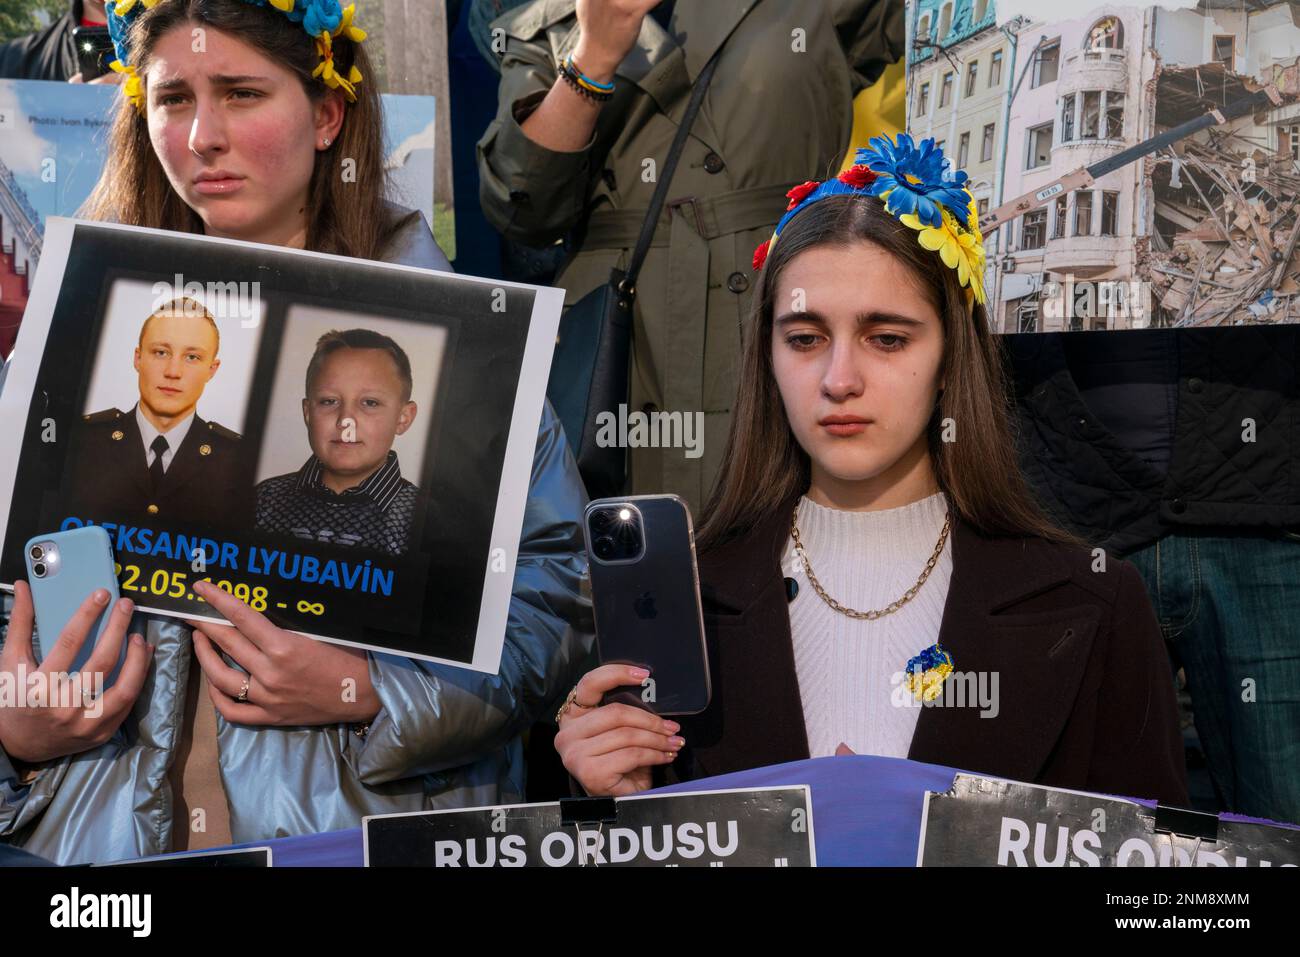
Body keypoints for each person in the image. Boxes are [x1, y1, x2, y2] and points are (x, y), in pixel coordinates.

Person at [0, 0, 591, 864]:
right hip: (94, 856)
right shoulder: (73, 328)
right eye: (172, 99)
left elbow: (553, 605)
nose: (203, 135)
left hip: (351, 836)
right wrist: (15, 725)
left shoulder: (462, 342)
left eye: (241, 94)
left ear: (326, 114)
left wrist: (368, 691)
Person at [553, 135, 1189, 807]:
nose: (840, 379)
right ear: (766, 356)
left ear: (951, 359)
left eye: (887, 338)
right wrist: (603, 807)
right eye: (805, 338)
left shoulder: (1093, 600)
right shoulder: (681, 607)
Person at [477, 0, 904, 511]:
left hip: (783, 305)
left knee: (792, 546)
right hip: (622, 347)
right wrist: (591, 59)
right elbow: (523, 210)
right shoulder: (545, 24)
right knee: (630, 561)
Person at [66, 297, 247, 527]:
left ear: (212, 370)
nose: (173, 372)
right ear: (138, 358)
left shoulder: (236, 461)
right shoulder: (81, 440)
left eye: (192, 357)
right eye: (161, 352)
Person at [255, 328, 421, 556]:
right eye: (329, 401)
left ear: (403, 418)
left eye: (370, 403)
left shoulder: (422, 519)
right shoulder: (263, 502)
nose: (345, 421)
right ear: (307, 413)